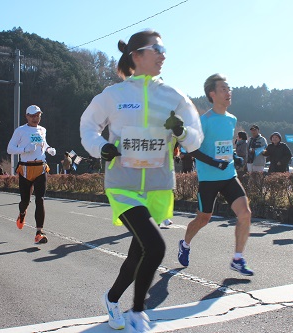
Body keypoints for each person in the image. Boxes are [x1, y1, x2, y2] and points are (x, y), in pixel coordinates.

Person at [80, 30, 203, 332]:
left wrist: (181, 131)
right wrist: (101, 147)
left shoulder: (173, 96)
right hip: (123, 183)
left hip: (158, 186)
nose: (163, 55)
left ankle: (111, 299)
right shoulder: (114, 95)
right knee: (156, 247)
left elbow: (196, 138)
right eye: (157, 49)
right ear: (137, 55)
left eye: (164, 49)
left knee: (139, 252)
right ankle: (137, 312)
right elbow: (88, 126)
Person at [177, 73, 254, 277]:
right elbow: (189, 149)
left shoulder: (232, 119)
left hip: (229, 175)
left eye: (229, 89)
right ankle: (185, 244)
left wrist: (234, 157)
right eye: (224, 89)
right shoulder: (204, 121)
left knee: (245, 213)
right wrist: (213, 162)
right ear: (212, 94)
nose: (229, 92)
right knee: (203, 218)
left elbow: (224, 146)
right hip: (209, 179)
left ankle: (238, 258)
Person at [7, 104, 56, 244]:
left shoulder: (42, 130)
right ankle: (22, 214)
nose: (35, 118)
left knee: (40, 199)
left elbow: (43, 144)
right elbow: (10, 149)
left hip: (40, 167)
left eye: (38, 115)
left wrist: (49, 149)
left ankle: (39, 232)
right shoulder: (20, 131)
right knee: (25, 201)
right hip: (26, 168)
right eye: (32, 115)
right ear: (26, 116)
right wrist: (24, 149)